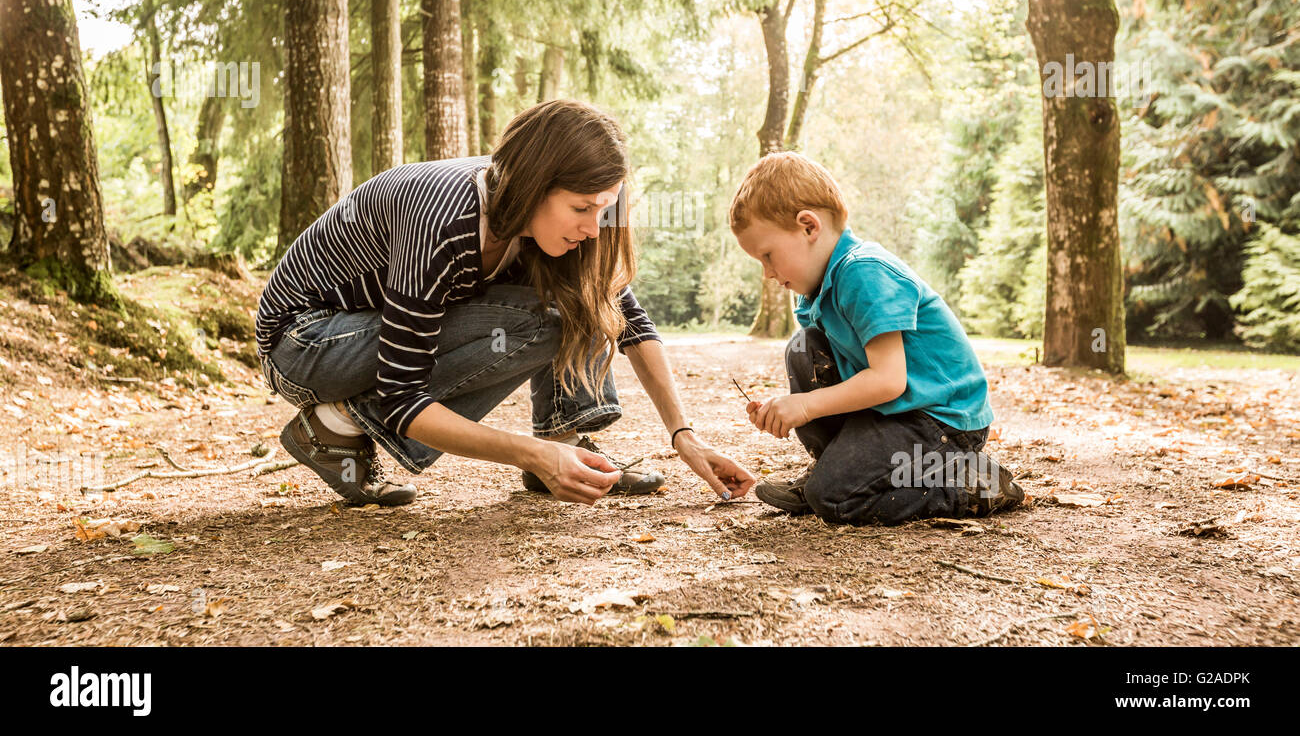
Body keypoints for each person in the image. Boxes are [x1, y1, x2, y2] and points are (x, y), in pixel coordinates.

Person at [255, 100, 755, 508]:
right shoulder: (444, 222)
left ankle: (565, 439)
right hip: (304, 343)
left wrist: (684, 435)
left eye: (602, 211)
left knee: (583, 300)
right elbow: (404, 397)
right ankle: (337, 424)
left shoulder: (545, 224)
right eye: (581, 209)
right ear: (533, 186)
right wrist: (528, 454)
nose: (592, 226)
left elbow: (626, 318)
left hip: (355, 334)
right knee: (537, 320)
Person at [727, 151, 1024, 526]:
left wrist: (804, 406)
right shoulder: (816, 290)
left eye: (768, 256)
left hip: (940, 420)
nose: (767, 272)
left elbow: (889, 379)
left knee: (833, 500)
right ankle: (833, 468)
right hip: (895, 411)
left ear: (808, 226)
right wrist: (790, 404)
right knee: (804, 348)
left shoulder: (864, 272)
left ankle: (969, 483)